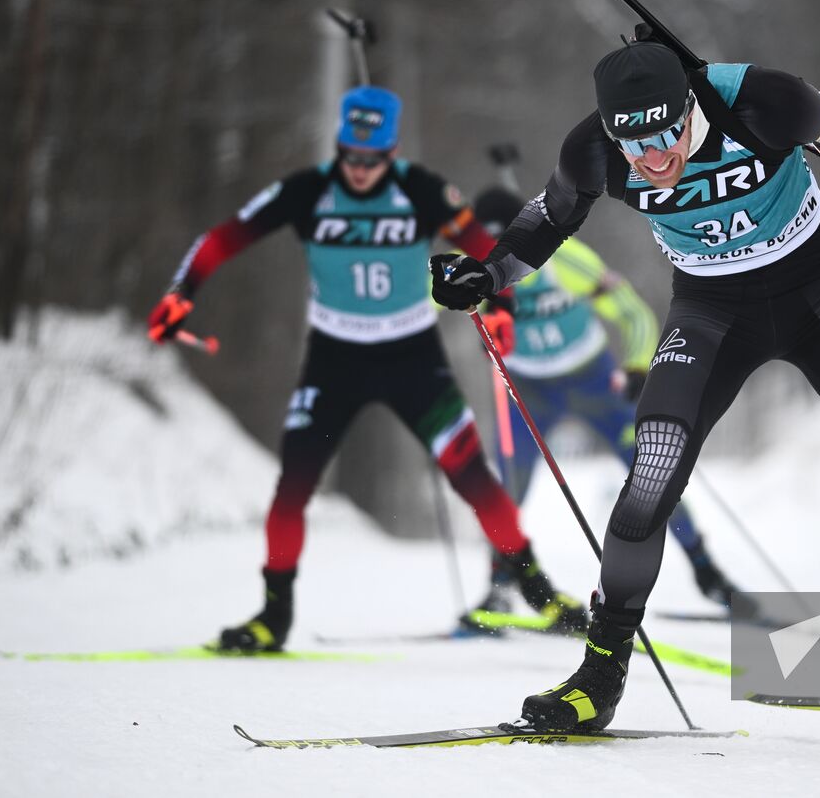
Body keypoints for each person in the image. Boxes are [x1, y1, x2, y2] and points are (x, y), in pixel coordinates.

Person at [431, 41, 820, 730]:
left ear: (687, 109)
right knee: (652, 470)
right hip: (711, 313)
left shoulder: (766, 102)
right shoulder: (593, 148)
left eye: (664, 135)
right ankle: (598, 677)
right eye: (632, 142)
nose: (651, 159)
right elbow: (550, 217)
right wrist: (487, 276)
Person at [147, 85, 585, 652]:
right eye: (350, 157)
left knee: (473, 477)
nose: (359, 170)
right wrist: (183, 291)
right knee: (292, 488)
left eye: (372, 159)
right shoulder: (308, 191)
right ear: (340, 148)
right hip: (335, 359)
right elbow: (222, 237)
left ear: (391, 151)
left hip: (411, 357)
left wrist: (502, 306)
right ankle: (273, 616)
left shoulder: (420, 189)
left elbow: (483, 247)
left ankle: (539, 592)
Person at [467, 186, 742, 618]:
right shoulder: (474, 269)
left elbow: (630, 311)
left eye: (504, 246)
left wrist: (636, 367)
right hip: (526, 389)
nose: (497, 258)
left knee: (652, 467)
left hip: (589, 379)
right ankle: (500, 586)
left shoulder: (565, 260)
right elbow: (430, 294)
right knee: (508, 487)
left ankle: (709, 574)